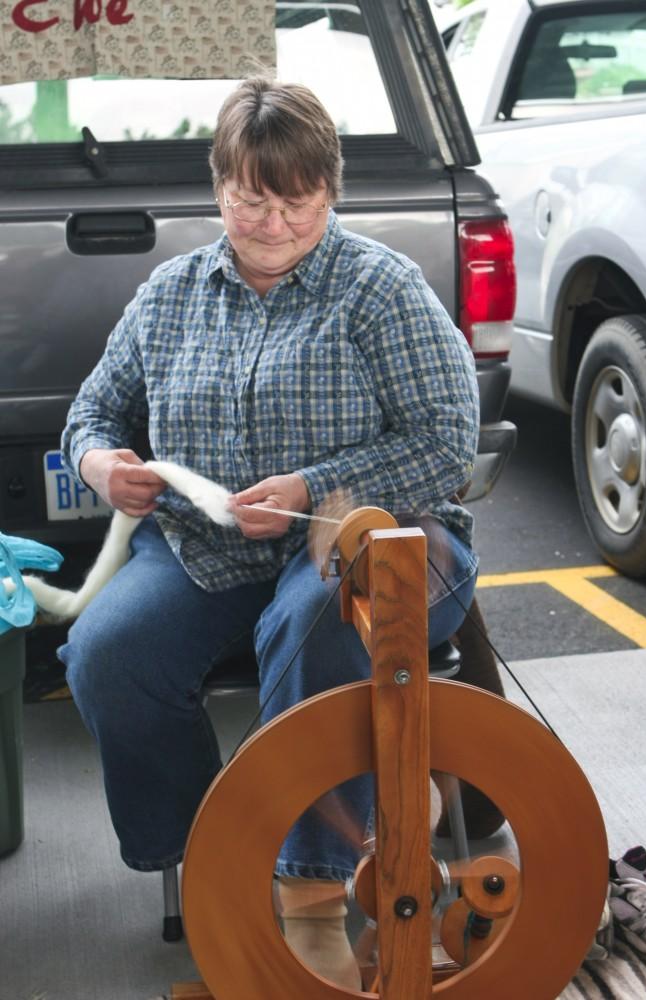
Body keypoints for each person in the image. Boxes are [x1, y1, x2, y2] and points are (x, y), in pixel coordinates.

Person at [58, 76, 481, 988]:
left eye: (296, 201)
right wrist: (104, 467)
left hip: (375, 543)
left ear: (330, 191)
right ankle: (215, 849)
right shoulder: (171, 294)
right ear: (219, 186)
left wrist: (313, 484)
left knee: (311, 626)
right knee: (105, 655)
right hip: (210, 550)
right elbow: (90, 414)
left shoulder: (380, 289)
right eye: (251, 198)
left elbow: (448, 443)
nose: (273, 222)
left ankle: (312, 895)